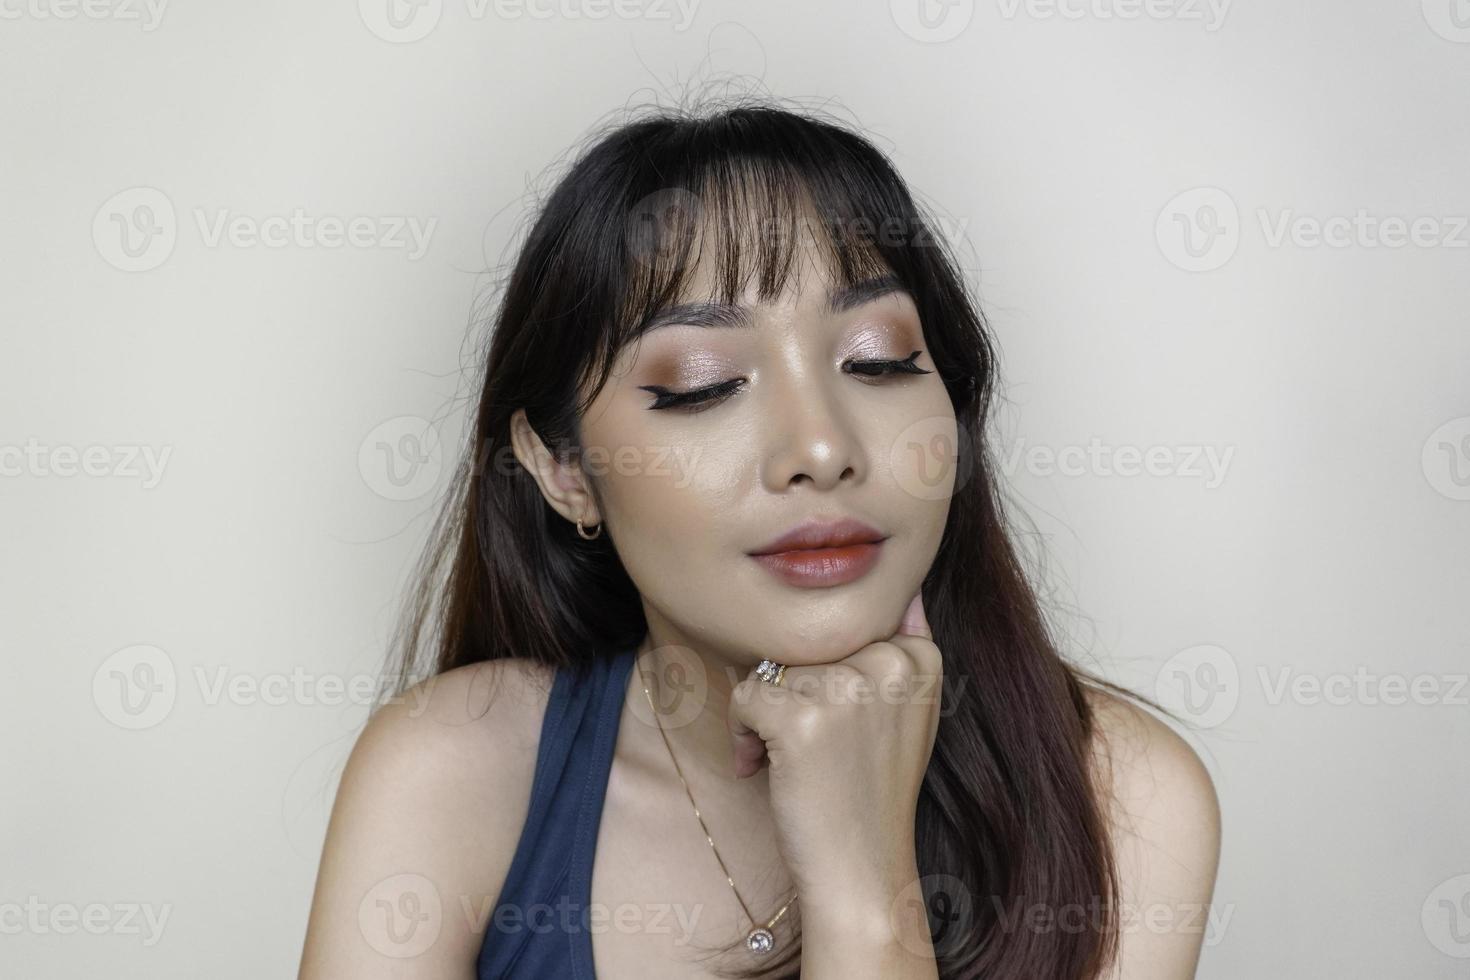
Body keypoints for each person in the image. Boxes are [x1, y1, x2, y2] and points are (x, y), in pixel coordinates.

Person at [297, 98, 1221, 980]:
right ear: (562, 469)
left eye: (879, 361)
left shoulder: (1121, 797)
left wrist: (865, 887)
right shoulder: (454, 772)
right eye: (702, 383)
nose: (821, 449)